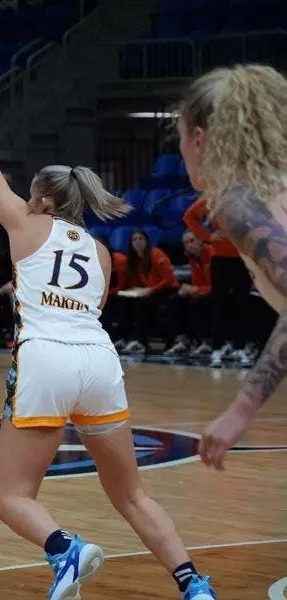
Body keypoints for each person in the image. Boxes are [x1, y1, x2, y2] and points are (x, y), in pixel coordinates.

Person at [0, 61, 216, 600]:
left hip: (46, 358)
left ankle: (64, 549)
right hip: (99, 361)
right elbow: (91, 304)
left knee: (13, 498)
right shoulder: (101, 252)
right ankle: (194, 585)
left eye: (29, 194)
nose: (23, 200)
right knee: (132, 495)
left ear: (44, 201)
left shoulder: (25, 224)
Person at [171, 66, 287, 477]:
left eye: (180, 138)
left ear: (199, 140)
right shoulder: (273, 186)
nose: (181, 151)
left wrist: (240, 410)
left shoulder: (239, 201)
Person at [183, 194, 253, 366]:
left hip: (243, 257)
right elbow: (189, 216)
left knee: (242, 304)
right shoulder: (212, 198)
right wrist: (207, 237)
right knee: (218, 304)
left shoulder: (246, 197)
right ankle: (217, 348)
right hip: (220, 259)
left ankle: (240, 347)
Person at [115, 229, 179, 355]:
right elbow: (137, 280)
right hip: (150, 291)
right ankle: (126, 338)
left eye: (141, 238)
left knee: (142, 303)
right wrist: (135, 289)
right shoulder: (134, 259)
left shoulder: (156, 253)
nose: (137, 241)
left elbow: (169, 279)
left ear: (147, 241)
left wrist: (150, 290)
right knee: (122, 300)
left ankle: (140, 341)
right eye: (134, 239)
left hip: (167, 289)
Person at [164, 231, 213, 356]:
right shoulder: (192, 257)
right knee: (175, 299)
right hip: (204, 291)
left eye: (192, 241)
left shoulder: (211, 253)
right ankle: (183, 340)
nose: (189, 245)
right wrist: (189, 290)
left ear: (200, 241)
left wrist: (196, 290)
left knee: (197, 302)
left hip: (219, 292)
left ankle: (205, 341)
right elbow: (197, 283)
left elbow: (218, 286)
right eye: (186, 243)